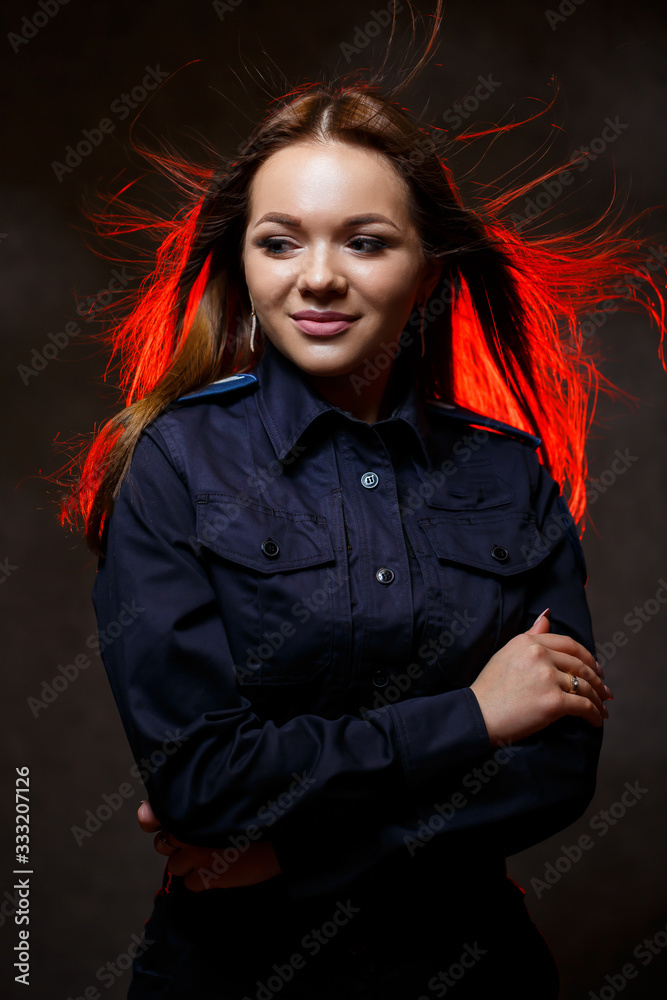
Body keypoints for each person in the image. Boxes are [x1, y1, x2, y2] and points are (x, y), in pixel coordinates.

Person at [58, 9, 666, 998]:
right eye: (279, 242)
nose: (318, 278)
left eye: (367, 241)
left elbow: (553, 770)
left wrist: (297, 860)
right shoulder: (172, 462)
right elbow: (203, 782)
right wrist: (473, 715)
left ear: (428, 273)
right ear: (243, 262)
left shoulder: (508, 472)